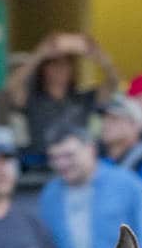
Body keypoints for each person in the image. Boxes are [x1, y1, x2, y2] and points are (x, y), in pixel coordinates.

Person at [10, 32, 117, 160]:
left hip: (78, 163)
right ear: (44, 69)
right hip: (41, 166)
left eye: (66, 64)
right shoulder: (33, 100)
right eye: (54, 64)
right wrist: (39, 54)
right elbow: (12, 87)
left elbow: (113, 83)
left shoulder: (83, 99)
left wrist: (98, 56)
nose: (60, 69)